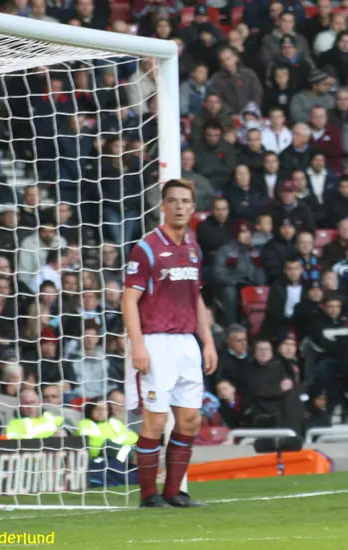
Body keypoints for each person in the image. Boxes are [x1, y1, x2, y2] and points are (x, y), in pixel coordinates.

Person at [122, 179, 218, 509]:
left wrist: (207, 342)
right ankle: (149, 494)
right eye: (173, 201)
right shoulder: (147, 247)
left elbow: (197, 299)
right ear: (162, 206)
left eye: (185, 201)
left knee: (191, 419)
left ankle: (174, 491)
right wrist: (137, 345)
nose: (179, 207)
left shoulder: (193, 247)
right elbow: (129, 300)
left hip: (187, 343)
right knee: (156, 421)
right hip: (156, 342)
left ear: (193, 208)